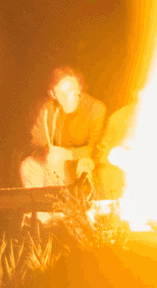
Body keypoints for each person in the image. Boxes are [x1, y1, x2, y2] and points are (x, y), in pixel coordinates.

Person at [18, 65, 113, 194]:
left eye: (72, 90)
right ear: (53, 94)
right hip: (55, 164)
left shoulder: (95, 109)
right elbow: (36, 141)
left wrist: (68, 154)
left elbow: (96, 149)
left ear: (80, 88)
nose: (69, 97)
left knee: (68, 162)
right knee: (28, 165)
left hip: (82, 164)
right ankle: (40, 211)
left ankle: (69, 209)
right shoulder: (48, 109)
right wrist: (47, 151)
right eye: (63, 93)